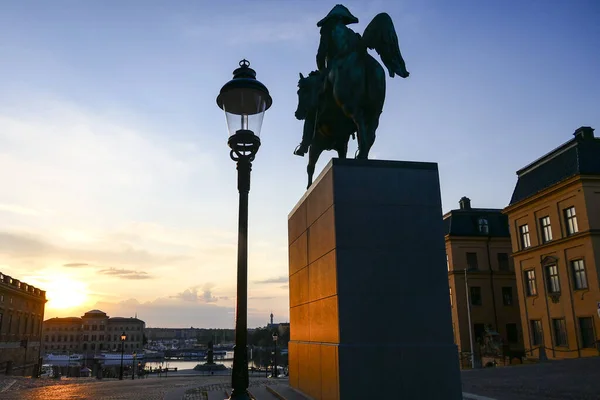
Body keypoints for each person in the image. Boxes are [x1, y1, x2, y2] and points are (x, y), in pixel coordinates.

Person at [294, 5, 361, 156]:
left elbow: (320, 55)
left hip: (333, 71)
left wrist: (322, 71)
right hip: (352, 75)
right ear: (344, 19)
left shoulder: (327, 30)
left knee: (312, 106)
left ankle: (305, 144)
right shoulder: (352, 34)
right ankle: (361, 136)